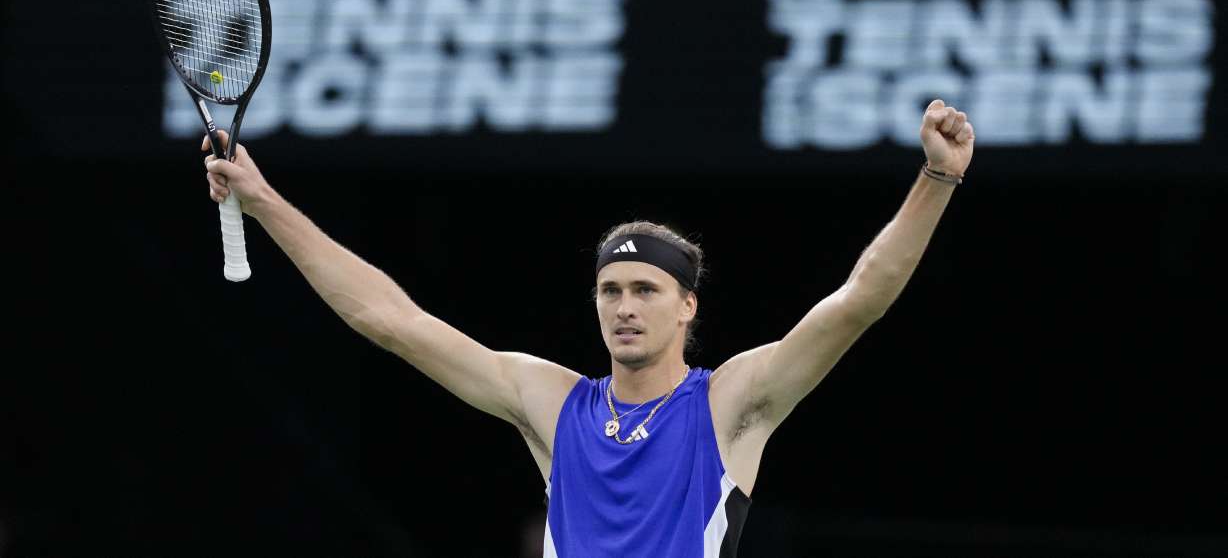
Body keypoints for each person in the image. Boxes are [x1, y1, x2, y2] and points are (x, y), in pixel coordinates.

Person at [203, 99, 975, 557]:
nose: (624, 305)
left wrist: (937, 178)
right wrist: (264, 199)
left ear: (687, 307)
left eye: (646, 288)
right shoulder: (554, 404)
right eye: (610, 289)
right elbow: (391, 320)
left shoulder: (731, 403)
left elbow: (859, 299)